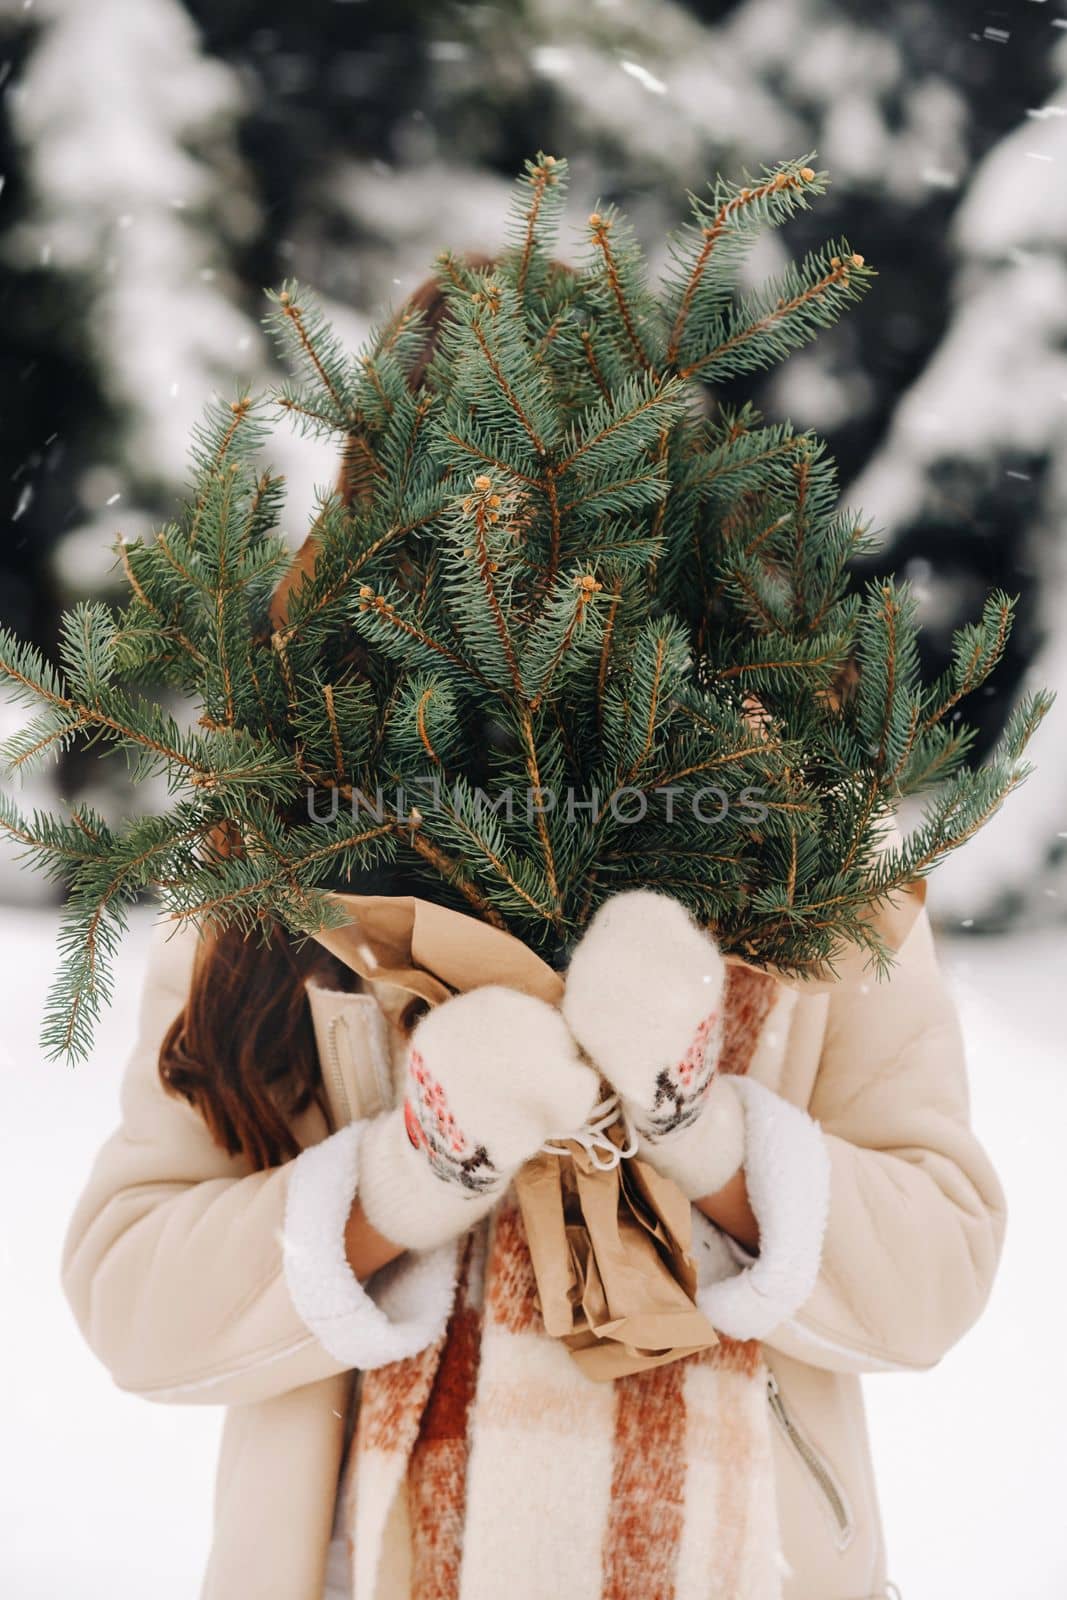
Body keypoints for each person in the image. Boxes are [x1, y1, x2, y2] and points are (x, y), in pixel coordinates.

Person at [60, 271, 1005, 1600]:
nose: (519, 540)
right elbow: (135, 1305)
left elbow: (933, 1281)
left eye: (574, 476)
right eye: (465, 482)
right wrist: (412, 1169)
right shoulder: (289, 853)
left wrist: (696, 1121)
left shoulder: (801, 848)